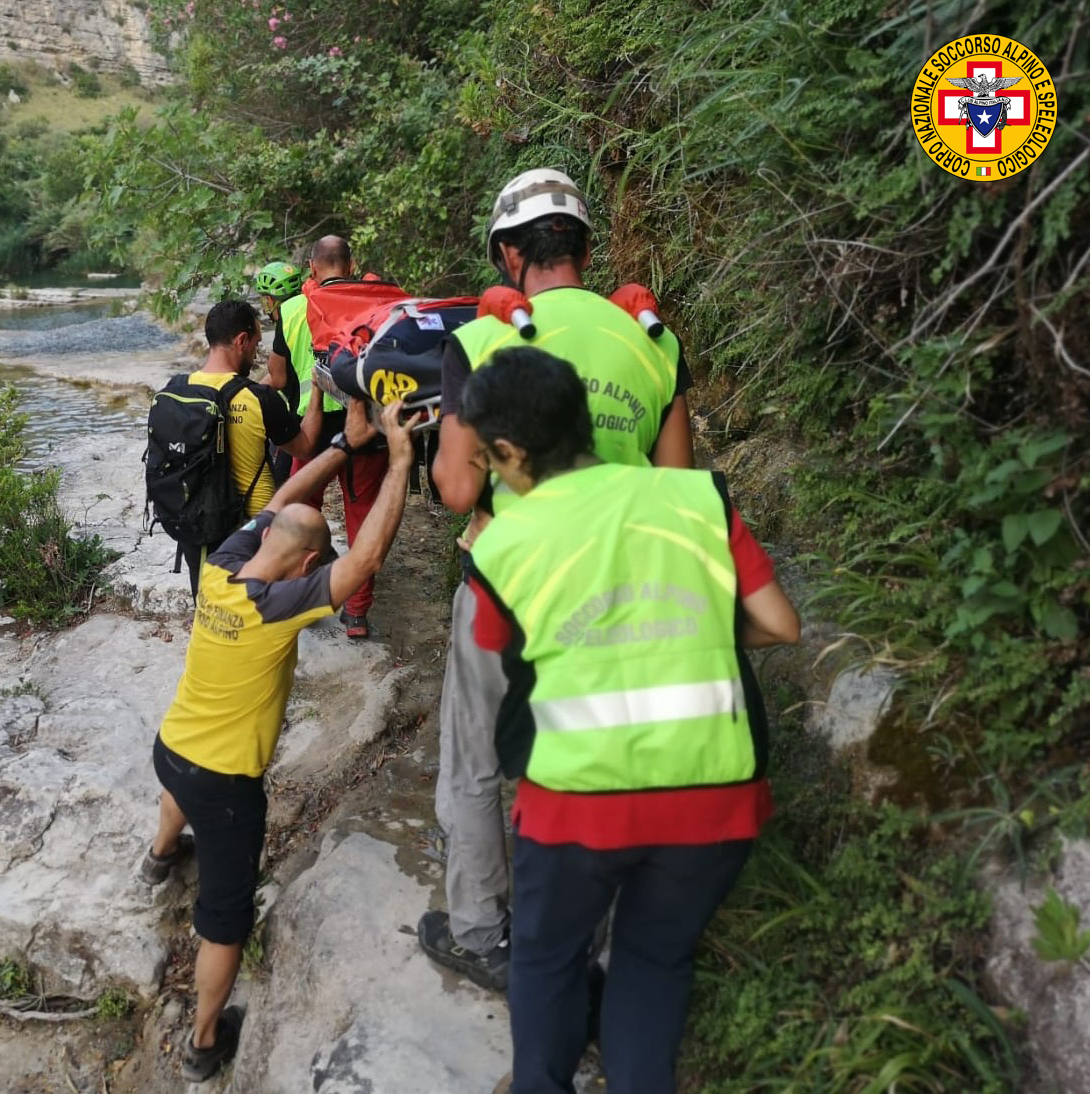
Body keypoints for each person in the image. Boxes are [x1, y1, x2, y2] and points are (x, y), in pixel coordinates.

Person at [458, 348, 799, 1093]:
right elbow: (780, 624)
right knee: (653, 962)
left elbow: (505, 653)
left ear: (511, 452)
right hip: (715, 802)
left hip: (576, 808)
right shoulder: (695, 498)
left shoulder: (503, 545)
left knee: (547, 961)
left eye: (487, 456)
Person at [421, 168, 697, 991]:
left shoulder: (485, 340)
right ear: (581, 246)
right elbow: (676, 492)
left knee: (475, 759)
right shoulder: (650, 341)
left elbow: (459, 489)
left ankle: (480, 932)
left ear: (511, 255)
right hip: (620, 591)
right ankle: (591, 953)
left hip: (510, 586)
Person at [139, 400, 419, 1082]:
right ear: (307, 565)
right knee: (224, 921)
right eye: (319, 562)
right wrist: (399, 457)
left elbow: (282, 503)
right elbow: (368, 558)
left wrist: (344, 446)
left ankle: (159, 856)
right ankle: (204, 1043)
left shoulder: (222, 566)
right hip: (226, 787)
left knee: (179, 780)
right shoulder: (279, 605)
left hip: (173, 747)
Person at [268, 235, 393, 640]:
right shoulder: (379, 302)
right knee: (363, 514)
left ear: (312, 267)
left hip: (312, 430)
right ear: (352, 265)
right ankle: (356, 614)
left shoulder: (292, 308)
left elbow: (278, 378)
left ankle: (303, 599)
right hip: (367, 426)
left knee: (301, 512)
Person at [176, 300, 324, 594]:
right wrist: (316, 389)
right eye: (256, 344)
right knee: (253, 610)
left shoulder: (180, 390)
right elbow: (305, 447)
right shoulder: (259, 399)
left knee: (208, 604)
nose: (256, 353)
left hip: (197, 524)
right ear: (241, 341)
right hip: (253, 532)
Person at [254, 260, 308, 485]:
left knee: (281, 478)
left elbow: (277, 378)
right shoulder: (309, 308)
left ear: (271, 300)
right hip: (328, 404)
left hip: (301, 410)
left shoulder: (286, 317)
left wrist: (247, 395)